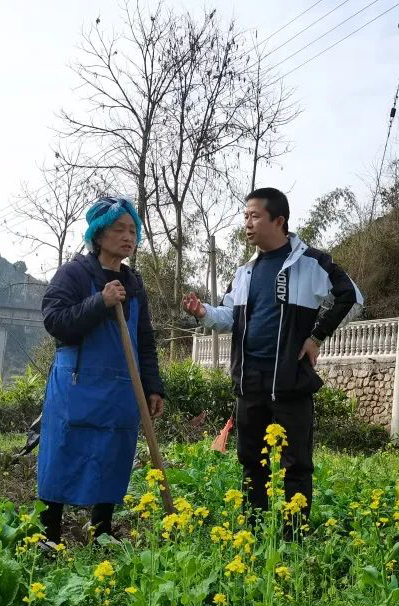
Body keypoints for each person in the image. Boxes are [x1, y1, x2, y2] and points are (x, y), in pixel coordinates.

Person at [182, 187, 362, 533]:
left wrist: (316, 336)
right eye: (245, 216)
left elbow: (352, 298)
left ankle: (294, 535)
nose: (247, 224)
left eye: (254, 216)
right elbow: (231, 318)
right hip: (249, 382)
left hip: (291, 381)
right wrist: (203, 312)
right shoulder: (244, 272)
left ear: (279, 220)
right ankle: (253, 529)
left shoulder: (312, 263)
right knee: (251, 460)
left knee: (296, 463)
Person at [38, 196, 165, 542]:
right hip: (77, 384)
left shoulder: (134, 282)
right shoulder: (74, 273)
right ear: (97, 234)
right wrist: (99, 302)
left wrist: (153, 386)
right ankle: (49, 533)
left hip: (123, 387)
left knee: (113, 454)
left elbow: (145, 339)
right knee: (63, 452)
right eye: (118, 229)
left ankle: (102, 532)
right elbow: (55, 321)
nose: (128, 237)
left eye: (132, 230)